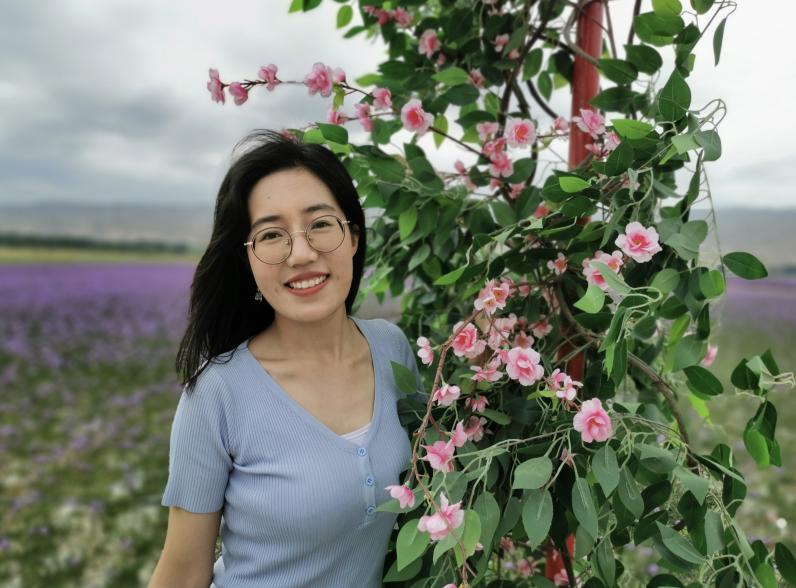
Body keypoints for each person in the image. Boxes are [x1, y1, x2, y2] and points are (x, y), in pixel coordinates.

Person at [147, 129, 425, 588]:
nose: (302, 253)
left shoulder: (391, 348)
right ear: (249, 260)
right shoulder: (217, 394)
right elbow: (182, 573)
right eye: (272, 234)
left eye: (320, 224)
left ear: (353, 237)